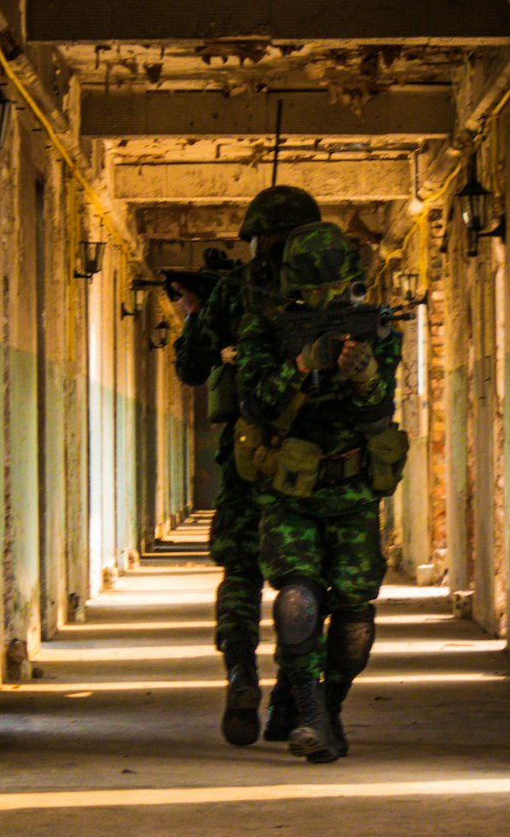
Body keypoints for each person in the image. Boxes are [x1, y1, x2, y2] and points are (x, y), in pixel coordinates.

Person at [236, 221, 406, 763]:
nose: (330, 301)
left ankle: (327, 704)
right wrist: (302, 365)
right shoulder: (265, 333)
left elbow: (380, 411)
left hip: (354, 488)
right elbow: (257, 404)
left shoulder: (377, 331)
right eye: (317, 295)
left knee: (356, 612)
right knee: (298, 598)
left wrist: (364, 376)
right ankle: (308, 713)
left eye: (339, 291)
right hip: (290, 490)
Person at [173, 184, 321, 746]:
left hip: (246, 456)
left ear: (259, 237)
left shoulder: (236, 293)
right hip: (314, 459)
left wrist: (195, 312)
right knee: (304, 578)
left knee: (241, 570)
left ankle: (240, 674)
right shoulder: (330, 288)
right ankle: (292, 694)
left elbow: (191, 367)